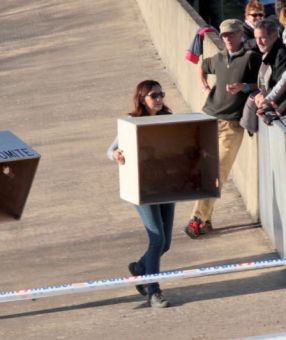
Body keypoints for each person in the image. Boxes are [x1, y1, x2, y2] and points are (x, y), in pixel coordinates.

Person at [184, 19, 262, 239]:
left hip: (232, 125)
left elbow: (267, 82)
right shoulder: (218, 59)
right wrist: (204, 85)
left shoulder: (251, 58)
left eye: (231, 35)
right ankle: (206, 220)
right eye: (224, 35)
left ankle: (197, 219)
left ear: (241, 35)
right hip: (209, 119)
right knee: (205, 171)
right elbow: (202, 67)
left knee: (217, 172)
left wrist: (245, 87)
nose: (227, 39)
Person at [107, 80, 174, 308]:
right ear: (142, 98)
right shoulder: (131, 123)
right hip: (142, 189)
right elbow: (110, 150)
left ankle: (139, 268)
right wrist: (116, 155)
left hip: (166, 187)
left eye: (161, 94)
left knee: (165, 244)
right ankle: (153, 291)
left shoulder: (169, 119)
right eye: (154, 95)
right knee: (156, 240)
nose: (159, 99)